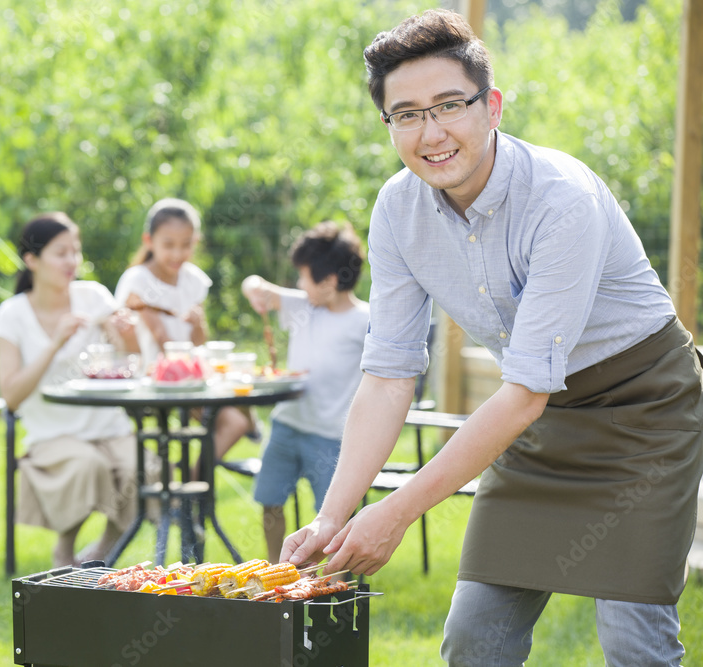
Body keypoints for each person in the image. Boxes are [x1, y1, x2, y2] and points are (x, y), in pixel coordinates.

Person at [282, 9, 703, 666]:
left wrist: (395, 512)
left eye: (449, 105)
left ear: (493, 106)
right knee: (475, 636)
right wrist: (335, 515)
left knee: (635, 642)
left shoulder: (561, 198)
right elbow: (390, 373)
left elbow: (526, 391)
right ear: (388, 124)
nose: (432, 131)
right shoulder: (397, 209)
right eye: (407, 114)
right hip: (533, 420)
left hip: (643, 410)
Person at [0, 212, 139, 568]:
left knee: (148, 468)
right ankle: (65, 551)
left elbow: (130, 361)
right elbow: (11, 395)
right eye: (61, 253)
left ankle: (104, 548)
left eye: (75, 251)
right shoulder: (11, 314)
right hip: (53, 432)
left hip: (110, 426)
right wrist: (55, 343)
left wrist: (127, 332)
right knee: (87, 464)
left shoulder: (93, 296)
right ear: (32, 260)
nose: (72, 261)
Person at [241, 221, 369, 562]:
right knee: (270, 498)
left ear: (328, 282)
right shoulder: (304, 306)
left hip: (331, 436)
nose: (298, 284)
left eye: (304, 277)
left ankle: (318, 576)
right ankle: (274, 565)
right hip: (287, 425)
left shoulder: (364, 321)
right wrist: (254, 290)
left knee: (328, 515)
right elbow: (254, 284)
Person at [114, 198, 256, 465]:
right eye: (168, 245)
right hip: (149, 381)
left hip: (187, 379)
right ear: (149, 240)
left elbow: (199, 343)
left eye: (186, 244)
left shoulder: (194, 281)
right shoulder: (138, 280)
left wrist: (198, 325)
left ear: (196, 241)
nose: (177, 254)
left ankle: (194, 486)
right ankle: (181, 492)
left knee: (235, 423)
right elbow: (163, 342)